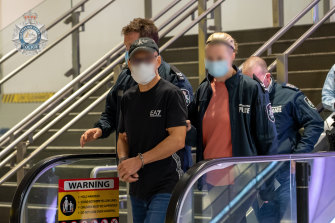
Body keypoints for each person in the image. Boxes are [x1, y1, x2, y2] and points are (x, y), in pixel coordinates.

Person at [79, 18, 193, 170]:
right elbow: (113, 111)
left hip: (168, 170)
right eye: (126, 48)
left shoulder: (173, 81)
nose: (128, 52)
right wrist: (101, 129)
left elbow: (183, 130)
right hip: (133, 169)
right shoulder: (125, 77)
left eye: (131, 46)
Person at [187, 33, 278, 222]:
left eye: (219, 58)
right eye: (210, 58)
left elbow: (267, 138)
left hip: (242, 177)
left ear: (232, 55)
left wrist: (267, 185)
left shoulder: (251, 89)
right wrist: (188, 131)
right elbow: (198, 135)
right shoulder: (204, 91)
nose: (214, 63)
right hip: (211, 177)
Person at [243, 56, 324, 223]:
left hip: (286, 173)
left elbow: (315, 123)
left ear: (266, 77)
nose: (249, 87)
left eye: (253, 81)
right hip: (259, 176)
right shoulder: (245, 100)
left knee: (290, 218)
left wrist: (299, 156)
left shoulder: (289, 96)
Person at [117, 37, 187, 223]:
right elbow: (123, 137)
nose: (142, 64)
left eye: (147, 59)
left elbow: (178, 139)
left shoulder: (170, 94)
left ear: (158, 60)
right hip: (138, 185)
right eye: (136, 60)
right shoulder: (128, 98)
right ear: (129, 64)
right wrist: (124, 162)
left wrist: (139, 160)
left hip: (166, 183)